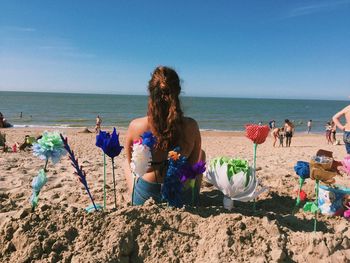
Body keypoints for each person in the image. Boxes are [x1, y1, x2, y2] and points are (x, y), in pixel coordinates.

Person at [124, 66, 204, 206]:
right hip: (179, 195)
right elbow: (191, 169)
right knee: (201, 155)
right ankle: (194, 196)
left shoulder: (135, 126)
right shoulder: (191, 126)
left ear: (150, 91)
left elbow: (133, 166)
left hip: (147, 196)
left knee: (126, 163)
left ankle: (131, 194)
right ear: (178, 91)